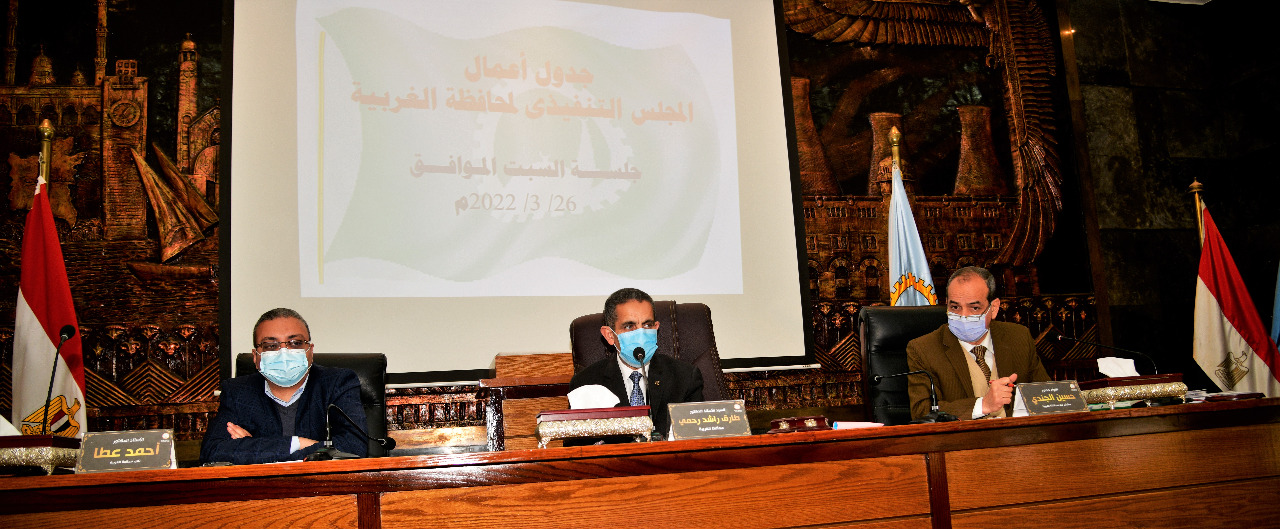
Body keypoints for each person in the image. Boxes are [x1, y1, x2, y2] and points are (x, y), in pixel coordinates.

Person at [200, 308, 367, 464]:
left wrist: (254, 447)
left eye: (295, 343)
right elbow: (212, 451)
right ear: (255, 357)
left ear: (310, 351)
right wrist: (298, 443)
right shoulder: (238, 391)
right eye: (271, 345)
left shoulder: (337, 383)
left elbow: (354, 448)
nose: (284, 352)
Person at [906, 267, 1049, 420]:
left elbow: (1048, 397)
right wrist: (983, 405)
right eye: (955, 307)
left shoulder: (1018, 337)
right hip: (964, 435)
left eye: (974, 308)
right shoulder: (923, 349)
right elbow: (922, 412)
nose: (963, 316)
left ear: (994, 308)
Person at [568, 288, 704, 439]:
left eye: (647, 325)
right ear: (610, 335)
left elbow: (696, 439)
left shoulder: (685, 378)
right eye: (629, 326)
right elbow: (576, 446)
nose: (641, 334)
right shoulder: (586, 383)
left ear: (656, 328)